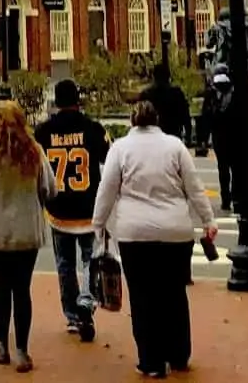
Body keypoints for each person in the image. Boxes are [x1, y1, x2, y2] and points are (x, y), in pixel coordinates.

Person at [92, 101, 217, 379]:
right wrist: (208, 221)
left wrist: (98, 225)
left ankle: (151, 361)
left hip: (135, 234)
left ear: (132, 121)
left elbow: (107, 190)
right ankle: (179, 354)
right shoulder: (175, 147)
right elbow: (194, 188)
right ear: (157, 119)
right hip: (175, 231)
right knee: (174, 294)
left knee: (142, 296)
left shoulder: (120, 148)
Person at [0, 101, 56, 372]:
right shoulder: (35, 152)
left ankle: (1, 346)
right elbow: (50, 189)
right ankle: (22, 350)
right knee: (23, 291)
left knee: (1, 290)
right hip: (27, 233)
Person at [34, 79, 108, 343]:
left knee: (64, 264)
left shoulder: (43, 132)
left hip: (59, 210)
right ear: (78, 100)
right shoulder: (93, 129)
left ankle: (72, 315)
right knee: (91, 260)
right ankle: (86, 302)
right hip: (88, 208)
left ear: (56, 101)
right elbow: (108, 162)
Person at [199, 68, 237, 209]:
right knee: (236, 167)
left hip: (218, 135)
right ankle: (235, 196)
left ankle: (225, 198)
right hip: (234, 134)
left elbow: (205, 116)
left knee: (223, 168)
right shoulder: (234, 91)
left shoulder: (211, 92)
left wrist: (203, 138)